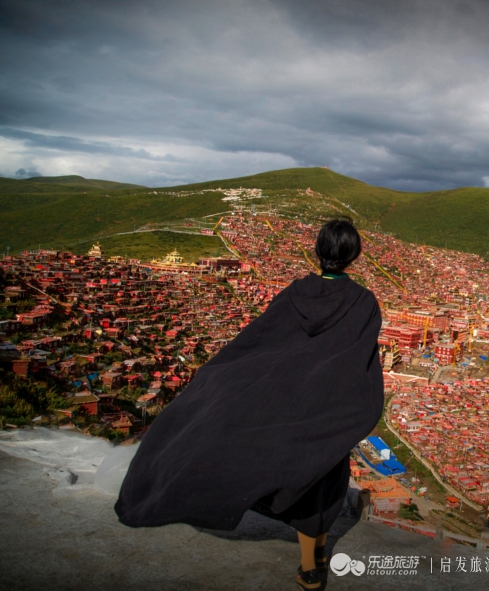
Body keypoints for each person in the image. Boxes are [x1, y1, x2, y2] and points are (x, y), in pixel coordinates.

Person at [115, 219, 384, 590]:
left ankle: (312, 560)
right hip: (326, 403)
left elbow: (260, 341)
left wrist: (221, 375)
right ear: (354, 254)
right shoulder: (364, 302)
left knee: (303, 475)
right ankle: (312, 564)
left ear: (319, 250)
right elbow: (359, 359)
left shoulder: (296, 292)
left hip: (285, 398)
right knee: (322, 477)